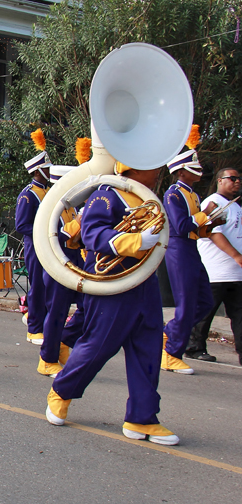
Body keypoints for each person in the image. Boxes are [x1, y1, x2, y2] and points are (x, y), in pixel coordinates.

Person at [46, 162, 179, 446]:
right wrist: (135, 240)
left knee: (149, 350)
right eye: (153, 166)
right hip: (112, 284)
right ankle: (61, 391)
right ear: (134, 167)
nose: (158, 172)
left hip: (144, 283)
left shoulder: (147, 198)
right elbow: (93, 234)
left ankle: (142, 418)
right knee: (98, 347)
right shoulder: (107, 194)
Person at [161, 145, 216, 374]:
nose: (199, 173)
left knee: (206, 301)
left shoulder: (192, 194)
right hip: (178, 249)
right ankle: (172, 354)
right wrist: (205, 213)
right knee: (187, 303)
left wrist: (211, 222)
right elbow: (182, 225)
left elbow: (195, 228)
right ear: (181, 171)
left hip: (192, 248)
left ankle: (171, 333)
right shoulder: (173, 193)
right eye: (193, 169)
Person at [187, 168, 242, 364]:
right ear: (220, 180)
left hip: (236, 273)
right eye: (232, 178)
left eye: (238, 179)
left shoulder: (235, 206)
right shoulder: (213, 203)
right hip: (215, 272)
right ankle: (194, 348)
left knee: (239, 315)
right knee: (205, 312)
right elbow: (213, 233)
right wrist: (236, 256)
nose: (237, 182)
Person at [37, 167, 85, 377]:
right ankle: (47, 359)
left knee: (88, 307)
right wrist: (80, 223)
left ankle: (64, 340)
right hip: (57, 265)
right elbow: (55, 236)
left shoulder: (70, 208)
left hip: (74, 263)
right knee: (56, 312)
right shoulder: (49, 208)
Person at [15, 129, 51, 345]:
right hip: (36, 247)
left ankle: (37, 319)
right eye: (46, 168)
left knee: (47, 287)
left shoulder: (48, 190)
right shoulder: (28, 194)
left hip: (48, 246)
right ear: (38, 171)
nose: (49, 171)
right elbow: (22, 225)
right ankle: (34, 328)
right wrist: (44, 233)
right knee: (38, 286)